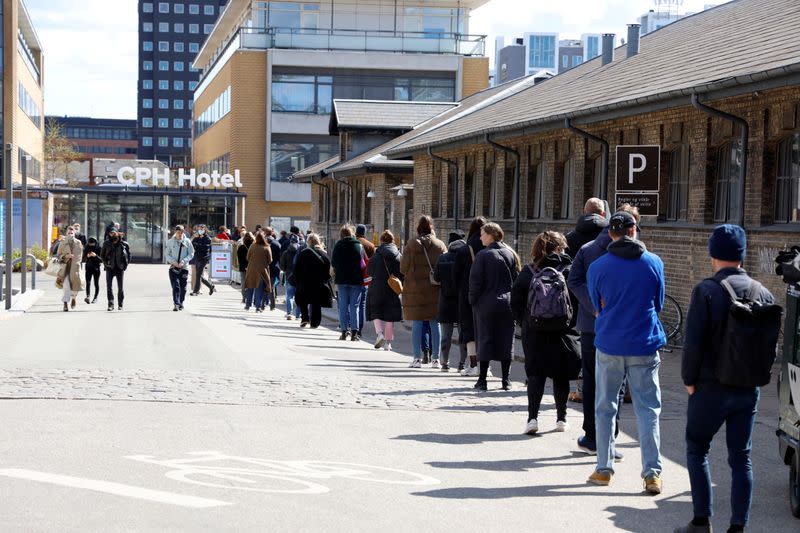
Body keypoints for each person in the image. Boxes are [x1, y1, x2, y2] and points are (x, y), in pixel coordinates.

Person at [674, 225, 775, 533]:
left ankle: (702, 521)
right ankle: (737, 526)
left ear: (713, 254)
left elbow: (693, 343)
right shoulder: (764, 293)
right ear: (741, 256)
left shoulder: (706, 290)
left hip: (709, 386)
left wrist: (689, 380)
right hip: (747, 388)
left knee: (697, 448)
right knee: (741, 458)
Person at [586, 210, 666, 494]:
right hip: (644, 343)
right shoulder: (654, 262)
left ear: (611, 233)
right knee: (648, 410)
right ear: (635, 230)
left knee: (605, 407)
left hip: (609, 343)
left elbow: (597, 304)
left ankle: (604, 468)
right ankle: (652, 473)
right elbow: (658, 304)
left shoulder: (598, 266)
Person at [568, 204, 639, 458]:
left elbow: (573, 280)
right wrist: (594, 307)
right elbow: (573, 280)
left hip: (594, 326)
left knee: (599, 381)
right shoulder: (590, 251)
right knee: (611, 383)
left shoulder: (589, 250)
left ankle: (596, 436)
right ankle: (600, 436)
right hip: (603, 326)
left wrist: (592, 307)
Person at [512, 231, 581, 434]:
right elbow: (577, 301)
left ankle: (532, 419)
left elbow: (515, 301)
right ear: (561, 247)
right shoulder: (569, 270)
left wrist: (525, 322)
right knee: (560, 376)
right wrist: (570, 323)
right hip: (563, 331)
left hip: (534, 332)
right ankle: (561, 419)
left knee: (535, 375)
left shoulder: (528, 271)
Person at [468, 222, 520, 390]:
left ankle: (482, 380)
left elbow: (475, 282)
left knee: (485, 339)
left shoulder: (483, 255)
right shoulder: (511, 254)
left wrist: (473, 300)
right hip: (507, 303)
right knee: (506, 340)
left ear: (491, 235)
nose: (480, 237)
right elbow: (516, 280)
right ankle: (506, 380)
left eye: (482, 234)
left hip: (486, 304)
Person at [400, 216, 446, 368]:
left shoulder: (410, 245)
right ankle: (435, 359)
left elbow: (403, 268)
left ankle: (417, 359)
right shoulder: (440, 245)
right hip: (434, 289)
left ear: (418, 228)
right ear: (431, 228)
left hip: (415, 289)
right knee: (434, 323)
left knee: (417, 323)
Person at [453, 217, 487, 375]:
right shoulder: (490, 250)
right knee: (484, 330)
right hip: (486, 295)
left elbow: (455, 276)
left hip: (467, 294)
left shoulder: (464, 250)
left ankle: (473, 365)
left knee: (469, 330)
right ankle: (485, 366)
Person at [434, 231, 467, 372]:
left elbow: (436, 278)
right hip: (462, 301)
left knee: (446, 335)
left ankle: (444, 363)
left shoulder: (442, 258)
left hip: (446, 301)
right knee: (463, 335)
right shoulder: (467, 258)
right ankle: (462, 364)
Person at [366, 230, 403, 352]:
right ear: (392, 241)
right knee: (390, 315)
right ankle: (388, 343)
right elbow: (402, 273)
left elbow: (369, 271)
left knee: (375, 310)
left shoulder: (377, 255)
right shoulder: (398, 255)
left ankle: (379, 334)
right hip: (392, 288)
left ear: (381, 241)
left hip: (377, 286)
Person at [332, 225, 365, 341]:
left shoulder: (338, 245)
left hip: (342, 280)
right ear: (352, 234)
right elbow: (363, 264)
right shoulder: (359, 246)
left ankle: (344, 331)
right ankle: (355, 332)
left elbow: (334, 263)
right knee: (354, 306)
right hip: (356, 280)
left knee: (343, 306)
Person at [293, 234, 333, 328]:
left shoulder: (304, 253)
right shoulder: (323, 254)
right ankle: (315, 322)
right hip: (318, 283)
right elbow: (328, 269)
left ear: (308, 242)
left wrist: (297, 280)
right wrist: (325, 279)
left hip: (304, 282)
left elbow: (296, 268)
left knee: (303, 300)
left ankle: (305, 318)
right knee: (316, 302)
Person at [100, 228, 131, 311]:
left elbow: (128, 256)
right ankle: (110, 304)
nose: (113, 234)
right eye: (111, 233)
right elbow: (102, 255)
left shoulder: (124, 244)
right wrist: (106, 265)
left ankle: (120, 304)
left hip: (120, 268)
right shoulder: (106, 243)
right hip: (110, 268)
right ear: (109, 234)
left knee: (120, 287)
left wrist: (125, 265)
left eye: (114, 233)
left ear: (118, 233)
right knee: (109, 287)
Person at [166, 225, 194, 311]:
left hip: (184, 268)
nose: (180, 234)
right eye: (178, 232)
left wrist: (183, 261)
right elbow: (167, 254)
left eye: (181, 232)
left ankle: (181, 302)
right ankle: (176, 304)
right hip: (173, 267)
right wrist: (173, 262)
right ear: (175, 232)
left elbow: (191, 253)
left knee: (183, 287)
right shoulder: (170, 242)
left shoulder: (187, 241)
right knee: (176, 285)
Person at [280, 230, 307, 320]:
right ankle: (298, 315)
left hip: (289, 277)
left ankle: (289, 313)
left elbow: (282, 266)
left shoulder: (286, 253)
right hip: (299, 277)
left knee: (289, 296)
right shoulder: (301, 252)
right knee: (299, 296)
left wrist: (285, 270)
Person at [57, 226, 84, 312]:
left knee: (75, 287)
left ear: (74, 233)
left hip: (75, 268)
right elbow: (58, 255)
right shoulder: (62, 243)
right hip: (65, 268)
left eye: (72, 232)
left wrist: (77, 264)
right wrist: (66, 256)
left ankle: (74, 298)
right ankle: (65, 304)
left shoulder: (78, 242)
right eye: (69, 232)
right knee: (66, 286)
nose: (70, 234)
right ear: (66, 233)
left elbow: (80, 256)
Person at [355, 224, 375, 338]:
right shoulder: (370, 246)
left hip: (353, 278)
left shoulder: (353, 243)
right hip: (365, 279)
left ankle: (351, 326)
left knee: (352, 304)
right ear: (365, 232)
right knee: (362, 304)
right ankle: (359, 329)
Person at [244, 232, 272, 312]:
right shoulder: (267, 247)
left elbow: (247, 257)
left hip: (251, 269)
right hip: (262, 270)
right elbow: (270, 260)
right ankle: (257, 307)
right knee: (258, 289)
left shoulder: (252, 246)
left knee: (250, 286)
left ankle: (247, 305)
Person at [190, 224, 216, 296]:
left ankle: (196, 291)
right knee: (199, 275)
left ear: (205, 229)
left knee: (198, 275)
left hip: (203, 258)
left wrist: (197, 245)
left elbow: (205, 249)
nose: (200, 230)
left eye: (201, 228)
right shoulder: (197, 237)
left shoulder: (207, 238)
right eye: (199, 228)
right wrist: (194, 239)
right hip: (197, 257)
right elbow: (192, 245)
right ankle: (210, 286)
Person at [82, 236, 103, 304]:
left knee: (96, 283)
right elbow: (83, 258)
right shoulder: (86, 248)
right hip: (88, 267)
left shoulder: (99, 248)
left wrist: (95, 256)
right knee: (88, 282)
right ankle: (88, 296)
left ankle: (95, 297)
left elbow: (101, 260)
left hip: (96, 268)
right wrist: (87, 256)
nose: (91, 245)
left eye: (93, 244)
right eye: (90, 244)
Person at [266, 229, 282, 311]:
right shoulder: (277, 244)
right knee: (272, 287)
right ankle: (272, 305)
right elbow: (280, 257)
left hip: (265, 267)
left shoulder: (264, 243)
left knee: (263, 286)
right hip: (275, 267)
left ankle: (262, 304)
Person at [237, 232, 254, 303]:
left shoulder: (241, 247)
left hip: (243, 268)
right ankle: (251, 298)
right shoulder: (254, 247)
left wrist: (243, 266)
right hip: (252, 267)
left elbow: (239, 259)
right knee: (252, 283)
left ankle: (244, 298)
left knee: (243, 283)